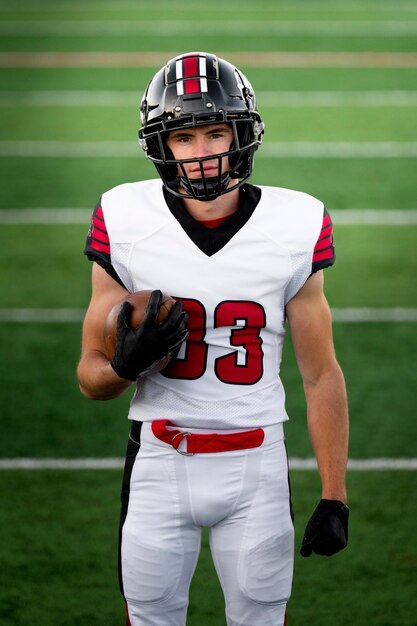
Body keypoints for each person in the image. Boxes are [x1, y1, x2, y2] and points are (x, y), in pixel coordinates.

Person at [77, 51, 349, 626]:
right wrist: (124, 368)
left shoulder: (294, 224)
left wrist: (334, 493)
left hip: (257, 464)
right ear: (162, 145)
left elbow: (320, 372)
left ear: (242, 134)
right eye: (184, 137)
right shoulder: (124, 217)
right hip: (157, 455)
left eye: (215, 132)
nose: (202, 152)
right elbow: (90, 378)